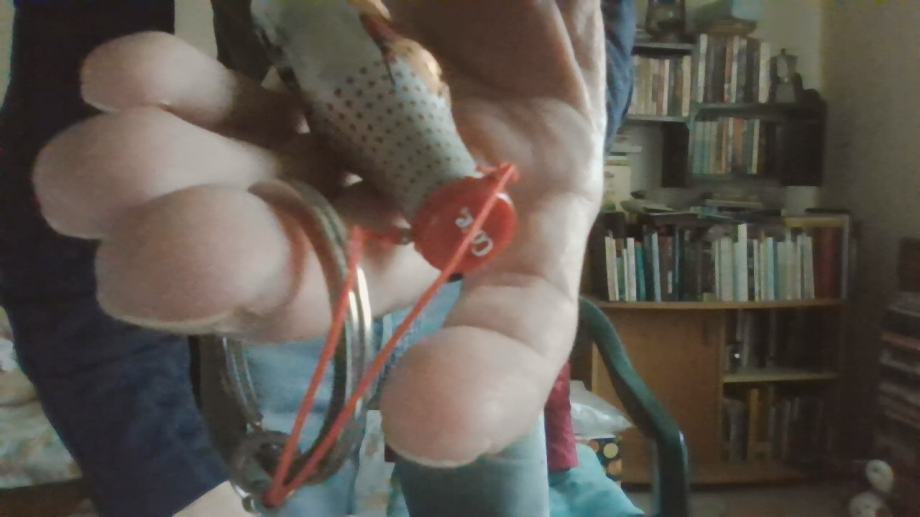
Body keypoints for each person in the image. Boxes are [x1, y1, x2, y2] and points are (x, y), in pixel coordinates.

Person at [0, 0, 635, 515]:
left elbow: (591, 48)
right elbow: (62, 237)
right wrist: (172, 482)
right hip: (293, 246)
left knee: (469, 430)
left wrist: (561, 126)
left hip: (466, 259)